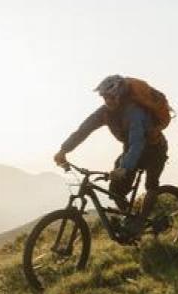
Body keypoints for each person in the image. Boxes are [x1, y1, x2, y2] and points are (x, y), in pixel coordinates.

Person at [53, 75, 169, 234]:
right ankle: (131, 219)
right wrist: (64, 150)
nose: (108, 100)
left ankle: (140, 223)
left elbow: (138, 143)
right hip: (131, 150)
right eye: (104, 97)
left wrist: (124, 168)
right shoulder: (104, 113)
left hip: (154, 148)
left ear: (120, 95)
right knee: (115, 190)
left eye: (111, 96)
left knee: (151, 185)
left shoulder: (135, 112)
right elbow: (84, 130)